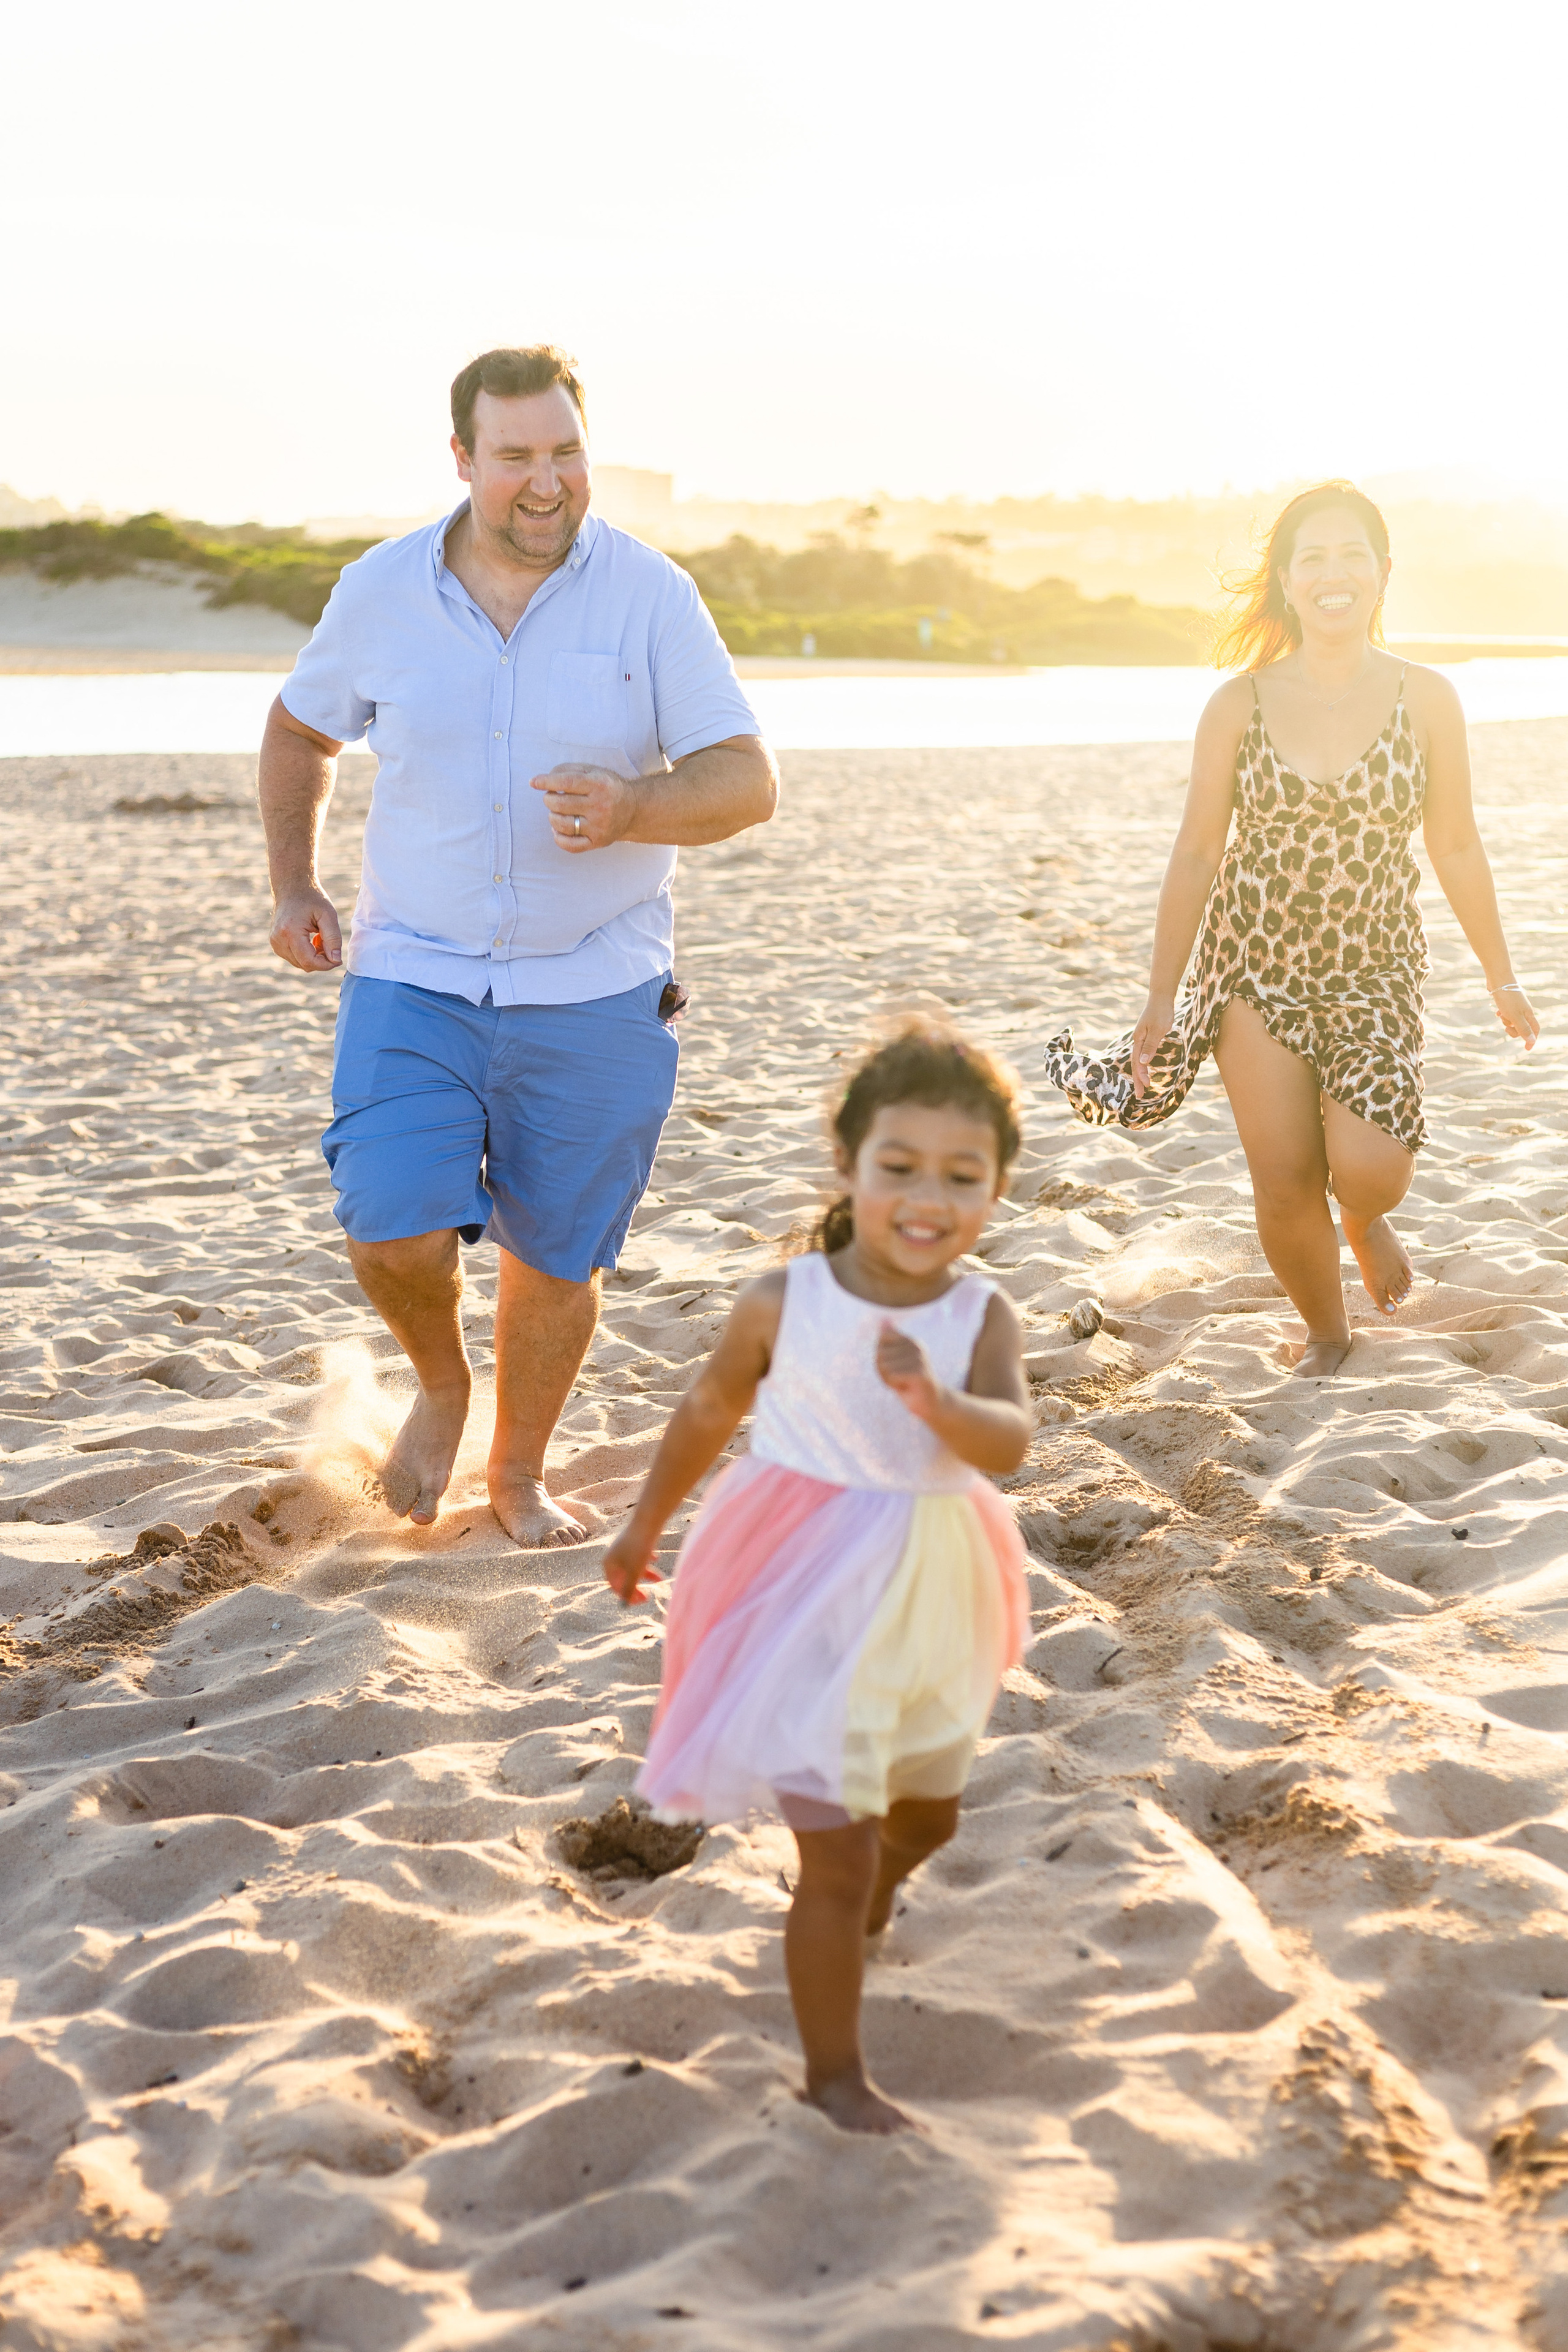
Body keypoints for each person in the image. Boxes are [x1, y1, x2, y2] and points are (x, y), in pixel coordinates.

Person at [258, 345, 777, 1544]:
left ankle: (519, 1472)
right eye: (515, 458)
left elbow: (747, 781)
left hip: (597, 977)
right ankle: (441, 1385)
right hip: (415, 970)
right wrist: (295, 884)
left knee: (554, 1258)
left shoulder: (651, 597)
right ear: (463, 460)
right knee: (388, 1222)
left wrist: (638, 805)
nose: (545, 484)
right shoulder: (381, 591)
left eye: (564, 452)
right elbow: (297, 735)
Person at [603, 1023, 1031, 2134]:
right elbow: (708, 1410)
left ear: (994, 1191)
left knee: (926, 1816)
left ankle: (888, 1881)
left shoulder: (980, 1314)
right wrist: (643, 1523)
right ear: (849, 1167)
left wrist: (942, 1407)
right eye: (899, 1168)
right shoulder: (783, 1300)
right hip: (795, 1583)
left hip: (936, 1581)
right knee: (832, 1859)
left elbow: (1011, 1441)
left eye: (961, 1176)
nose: (926, 1197)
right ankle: (834, 2075)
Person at [1044, 481, 1540, 1379]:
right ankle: (1327, 1334)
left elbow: (1457, 844)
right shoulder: (1237, 705)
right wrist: (1162, 997)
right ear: (1285, 580)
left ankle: (1362, 1217)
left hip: (1374, 965)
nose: (1333, 574)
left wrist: (1504, 978)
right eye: (1312, 557)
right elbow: (1196, 854)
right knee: (1281, 1179)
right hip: (1252, 965)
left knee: (1370, 1167)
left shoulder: (1428, 699)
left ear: (1385, 573)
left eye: (1353, 555)